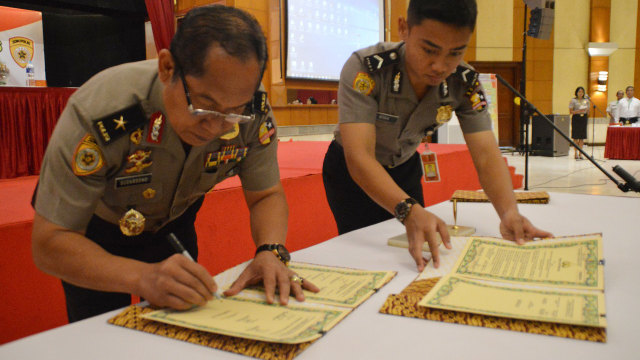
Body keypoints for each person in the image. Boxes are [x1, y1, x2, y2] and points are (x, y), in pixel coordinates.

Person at [31, 5, 318, 323]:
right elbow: (50, 240)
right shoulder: (103, 109)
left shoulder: (251, 108)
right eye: (204, 105)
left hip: (174, 230)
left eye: (233, 111)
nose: (216, 126)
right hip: (96, 240)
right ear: (168, 67)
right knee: (102, 340)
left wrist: (271, 250)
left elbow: (266, 195)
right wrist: (141, 277)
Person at [321, 0, 552, 271]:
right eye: (429, 50)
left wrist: (509, 212)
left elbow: (487, 156)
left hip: (405, 168)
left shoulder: (465, 82)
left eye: (455, 53)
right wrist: (408, 210)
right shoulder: (367, 68)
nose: (440, 66)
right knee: (366, 258)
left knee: (415, 255)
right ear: (404, 29)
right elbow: (359, 157)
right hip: (352, 176)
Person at [568, 86, 589, 159]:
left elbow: (588, 110)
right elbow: (571, 112)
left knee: (582, 137)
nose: (581, 93)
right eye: (579, 91)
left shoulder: (586, 100)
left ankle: (581, 153)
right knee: (576, 136)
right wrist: (579, 111)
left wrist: (586, 110)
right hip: (576, 118)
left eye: (582, 92)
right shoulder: (573, 100)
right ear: (576, 93)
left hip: (583, 118)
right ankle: (575, 153)